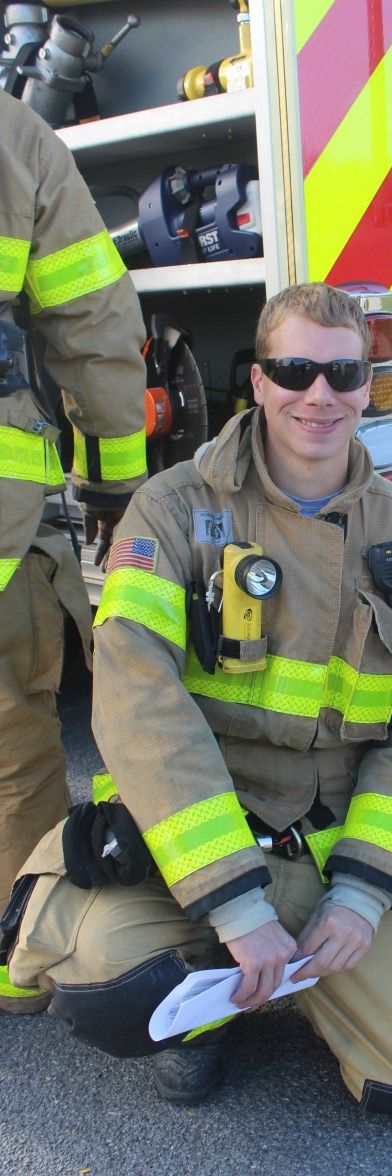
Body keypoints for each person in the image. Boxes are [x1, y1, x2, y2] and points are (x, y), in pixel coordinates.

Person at [4, 282, 392, 1111]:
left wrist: (362, 892)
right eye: (295, 369)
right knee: (98, 964)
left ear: (367, 384)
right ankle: (211, 1008)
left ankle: (318, 969)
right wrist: (232, 901)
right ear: (259, 380)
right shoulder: (171, 510)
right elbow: (137, 702)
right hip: (195, 853)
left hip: (326, 853)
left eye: (344, 375)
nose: (320, 394)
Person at [0, 92, 147, 1014]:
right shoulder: (13, 136)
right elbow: (93, 327)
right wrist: (113, 491)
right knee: (12, 742)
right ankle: (18, 958)